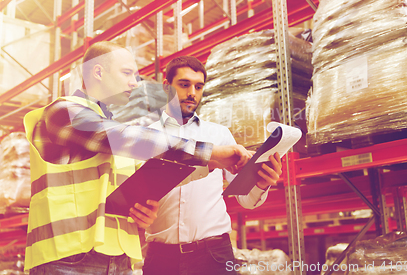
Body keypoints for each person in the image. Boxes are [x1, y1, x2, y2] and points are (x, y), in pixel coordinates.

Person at [23, 42, 254, 275]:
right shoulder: (64, 112)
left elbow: (153, 174)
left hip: (117, 260)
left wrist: (143, 213)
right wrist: (209, 153)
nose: (134, 83)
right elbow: (127, 139)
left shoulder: (114, 137)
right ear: (98, 72)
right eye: (126, 73)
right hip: (67, 260)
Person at [143, 56, 283, 275]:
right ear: (166, 86)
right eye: (184, 84)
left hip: (214, 255)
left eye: (198, 87)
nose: (192, 93)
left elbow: (245, 198)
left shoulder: (218, 134)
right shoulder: (147, 136)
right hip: (161, 259)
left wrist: (261, 184)